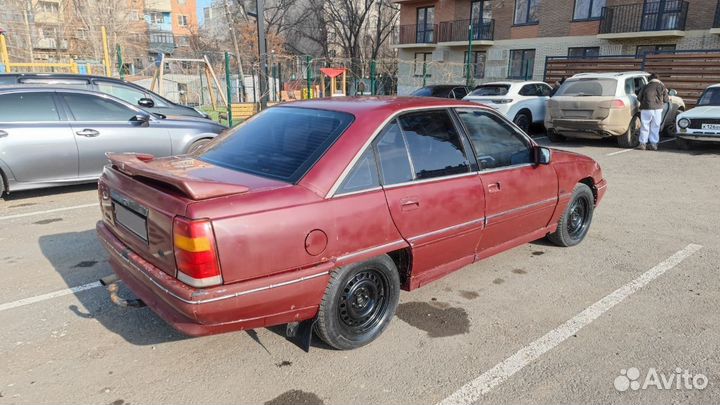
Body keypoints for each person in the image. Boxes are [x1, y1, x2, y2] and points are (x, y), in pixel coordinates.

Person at [637, 73, 669, 151]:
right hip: (657, 109)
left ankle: (643, 144)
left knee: (645, 126)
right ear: (658, 79)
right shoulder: (662, 86)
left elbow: (638, 98)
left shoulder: (645, 86)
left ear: (650, 79)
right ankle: (653, 144)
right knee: (655, 126)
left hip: (646, 109)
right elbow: (666, 100)